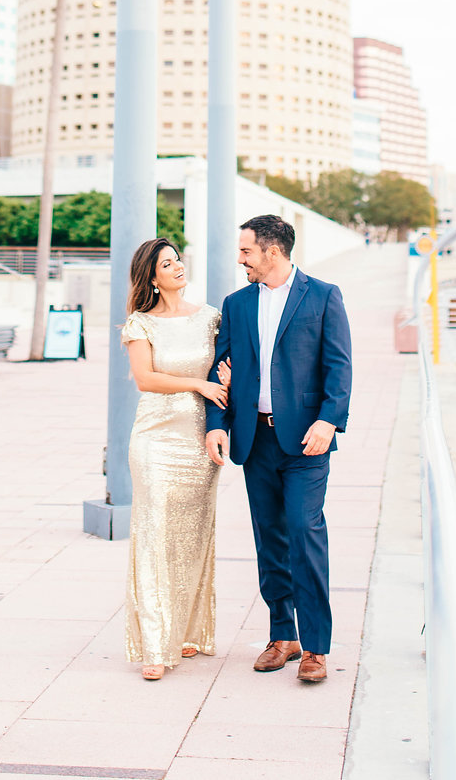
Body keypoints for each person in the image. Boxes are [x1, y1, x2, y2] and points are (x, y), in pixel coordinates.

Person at [205, 214, 352, 685]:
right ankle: (281, 636)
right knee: (269, 537)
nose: (241, 259)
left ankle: (315, 648)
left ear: (272, 251)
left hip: (307, 441)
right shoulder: (237, 303)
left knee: (304, 532)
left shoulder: (324, 295)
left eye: (246, 251)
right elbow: (219, 369)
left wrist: (329, 420)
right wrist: (217, 425)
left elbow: (339, 366)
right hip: (256, 438)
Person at [121, 237, 229, 681]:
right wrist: (200, 385)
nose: (178, 266)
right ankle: (153, 644)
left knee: (193, 536)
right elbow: (145, 379)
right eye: (168, 263)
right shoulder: (140, 323)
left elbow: (227, 367)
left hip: (197, 443)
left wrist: (226, 378)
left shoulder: (210, 319)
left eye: (178, 258)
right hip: (155, 440)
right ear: (152, 276)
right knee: (153, 536)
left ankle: (183, 631)